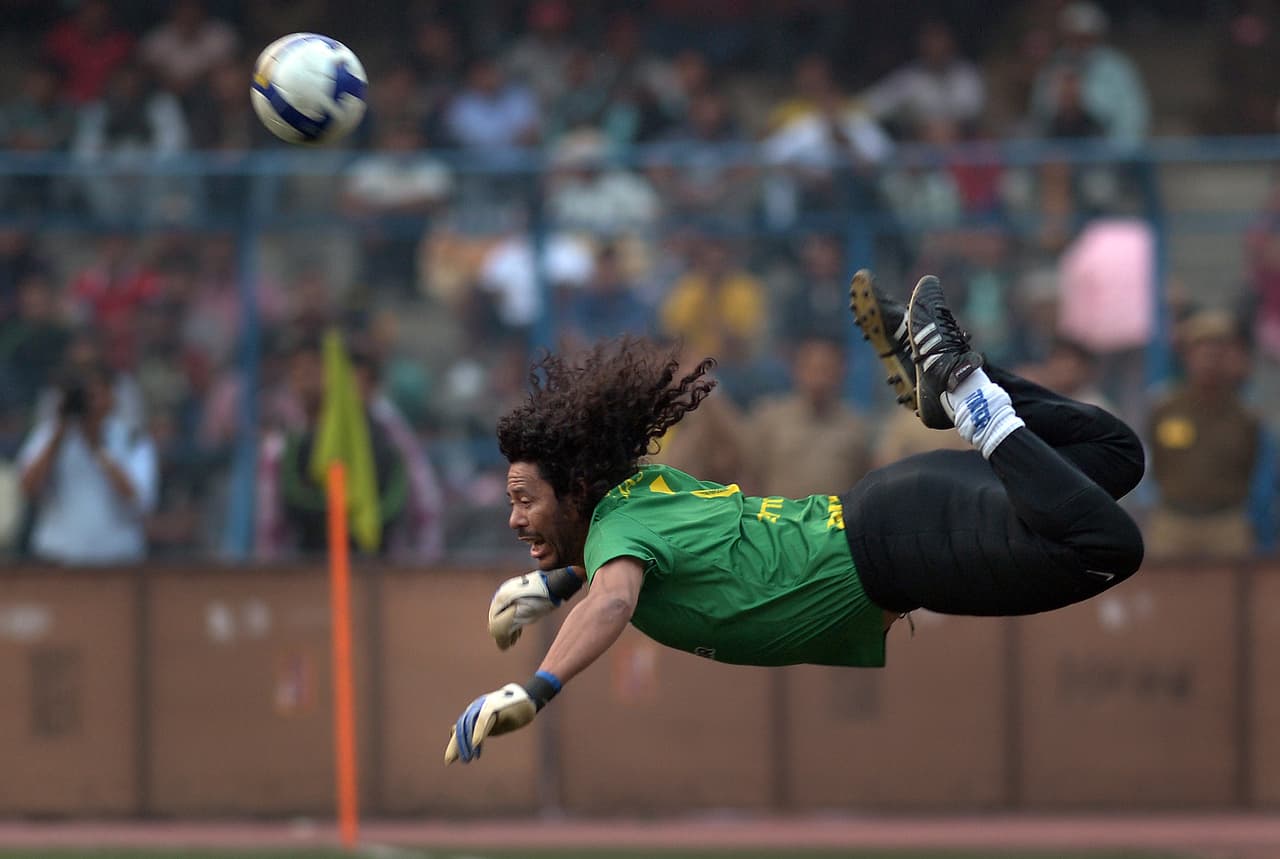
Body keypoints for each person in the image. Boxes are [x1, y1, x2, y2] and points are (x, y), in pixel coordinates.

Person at [443, 270, 1145, 764]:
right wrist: (555, 584)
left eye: (525, 499)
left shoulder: (617, 535)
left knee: (1107, 546)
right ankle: (959, 386)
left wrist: (536, 688)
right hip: (897, 509)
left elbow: (615, 599)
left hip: (901, 548)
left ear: (576, 493)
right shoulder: (640, 493)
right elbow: (628, 566)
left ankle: (966, 394)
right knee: (1115, 455)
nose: (513, 519)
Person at [17, 365, 158, 564]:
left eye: (95, 396)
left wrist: (98, 447)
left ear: (111, 398)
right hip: (57, 559)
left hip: (118, 560)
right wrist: (59, 435)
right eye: (84, 397)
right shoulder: (48, 435)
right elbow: (27, 489)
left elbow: (139, 500)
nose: (89, 405)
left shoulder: (131, 439)